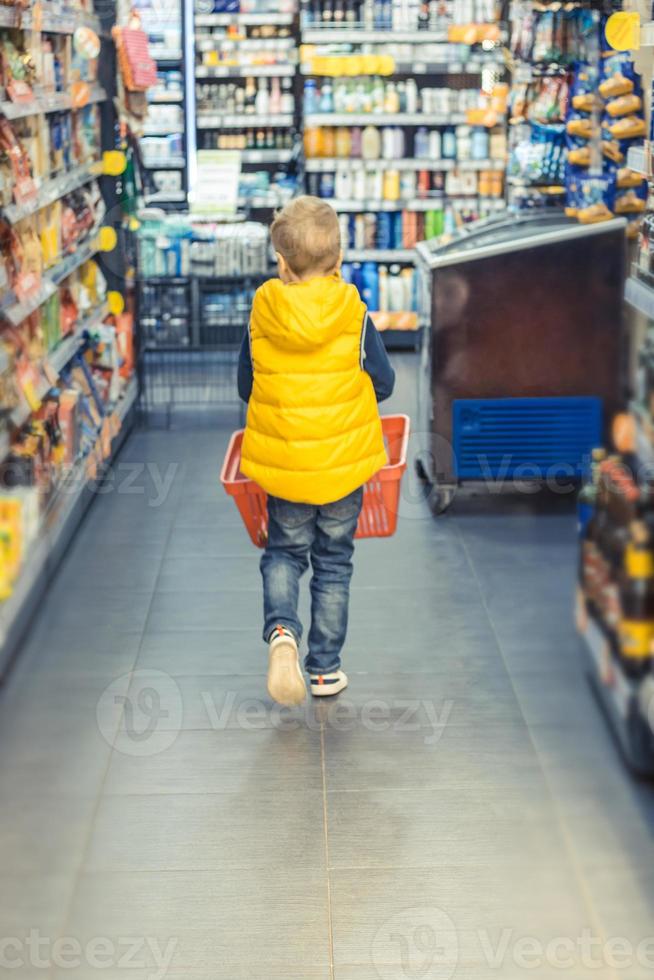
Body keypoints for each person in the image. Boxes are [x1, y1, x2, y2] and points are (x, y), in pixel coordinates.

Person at [237, 196, 395, 706]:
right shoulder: (354, 311)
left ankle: (282, 632)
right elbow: (386, 383)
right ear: (339, 259)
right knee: (333, 562)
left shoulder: (263, 308)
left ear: (281, 264)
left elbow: (246, 384)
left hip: (287, 467)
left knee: (285, 551)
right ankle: (325, 668)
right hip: (343, 469)